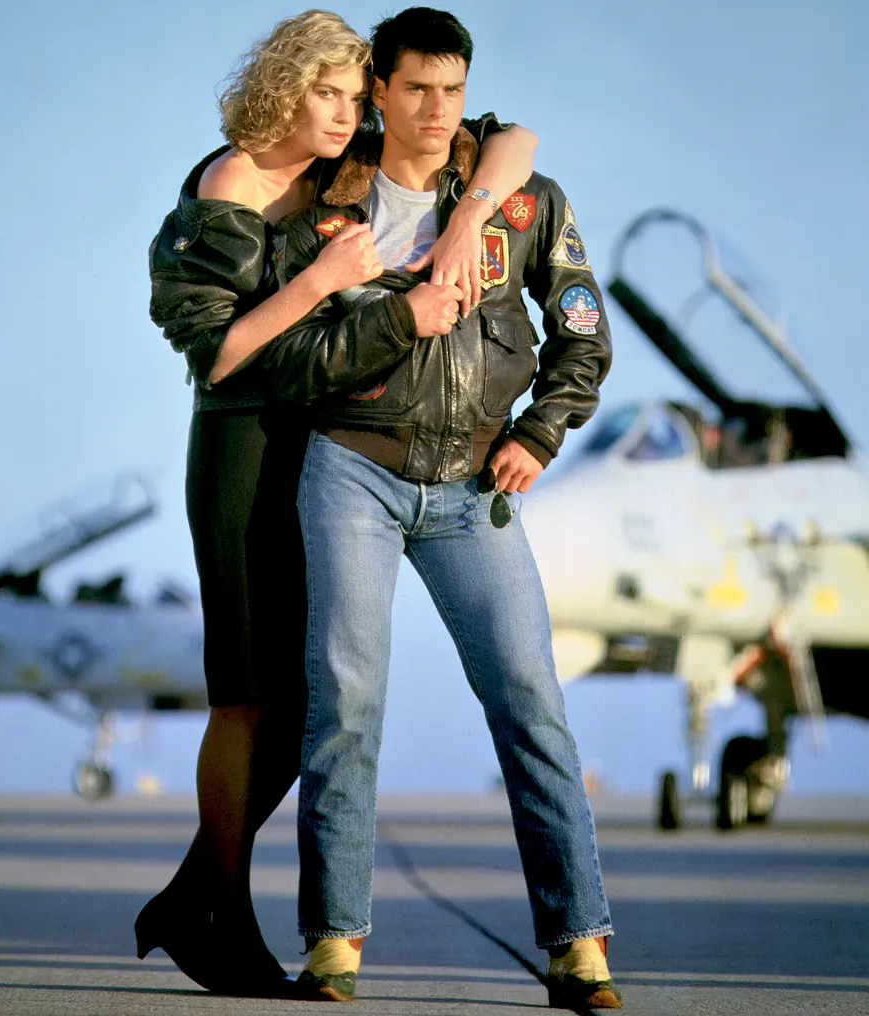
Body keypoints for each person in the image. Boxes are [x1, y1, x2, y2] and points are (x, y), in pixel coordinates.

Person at [137, 9, 539, 998]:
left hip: (314, 439)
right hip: (240, 441)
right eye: (330, 94)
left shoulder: (338, 162)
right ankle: (217, 912)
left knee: (306, 693)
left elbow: (518, 140)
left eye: (358, 99)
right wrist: (321, 276)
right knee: (244, 692)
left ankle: (196, 892)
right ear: (285, 85)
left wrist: (464, 218)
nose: (350, 115)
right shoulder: (230, 181)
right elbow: (218, 351)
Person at [261, 7, 621, 1009]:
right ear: (379, 90)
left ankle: (578, 945)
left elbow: (584, 332)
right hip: (352, 471)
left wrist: (540, 432)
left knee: (530, 701)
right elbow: (287, 355)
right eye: (414, 88)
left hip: (473, 488)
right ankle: (334, 942)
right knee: (348, 700)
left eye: (451, 91)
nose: (433, 110)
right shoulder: (320, 206)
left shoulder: (521, 201)